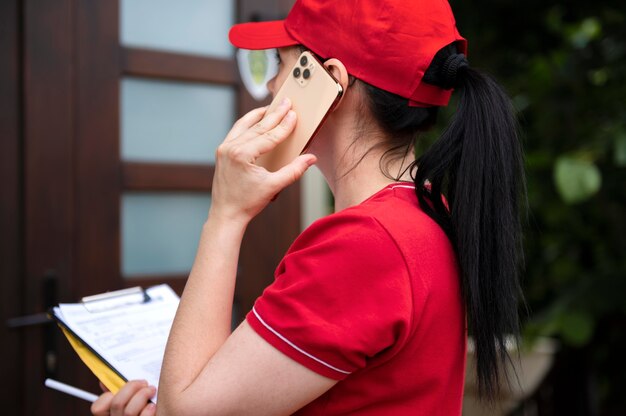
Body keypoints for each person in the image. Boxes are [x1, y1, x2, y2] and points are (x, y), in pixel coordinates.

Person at [91, 0, 525, 415]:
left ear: (330, 82)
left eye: (281, 64)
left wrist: (226, 214)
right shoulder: (426, 215)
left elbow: (185, 412)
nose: (270, 86)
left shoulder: (367, 244)